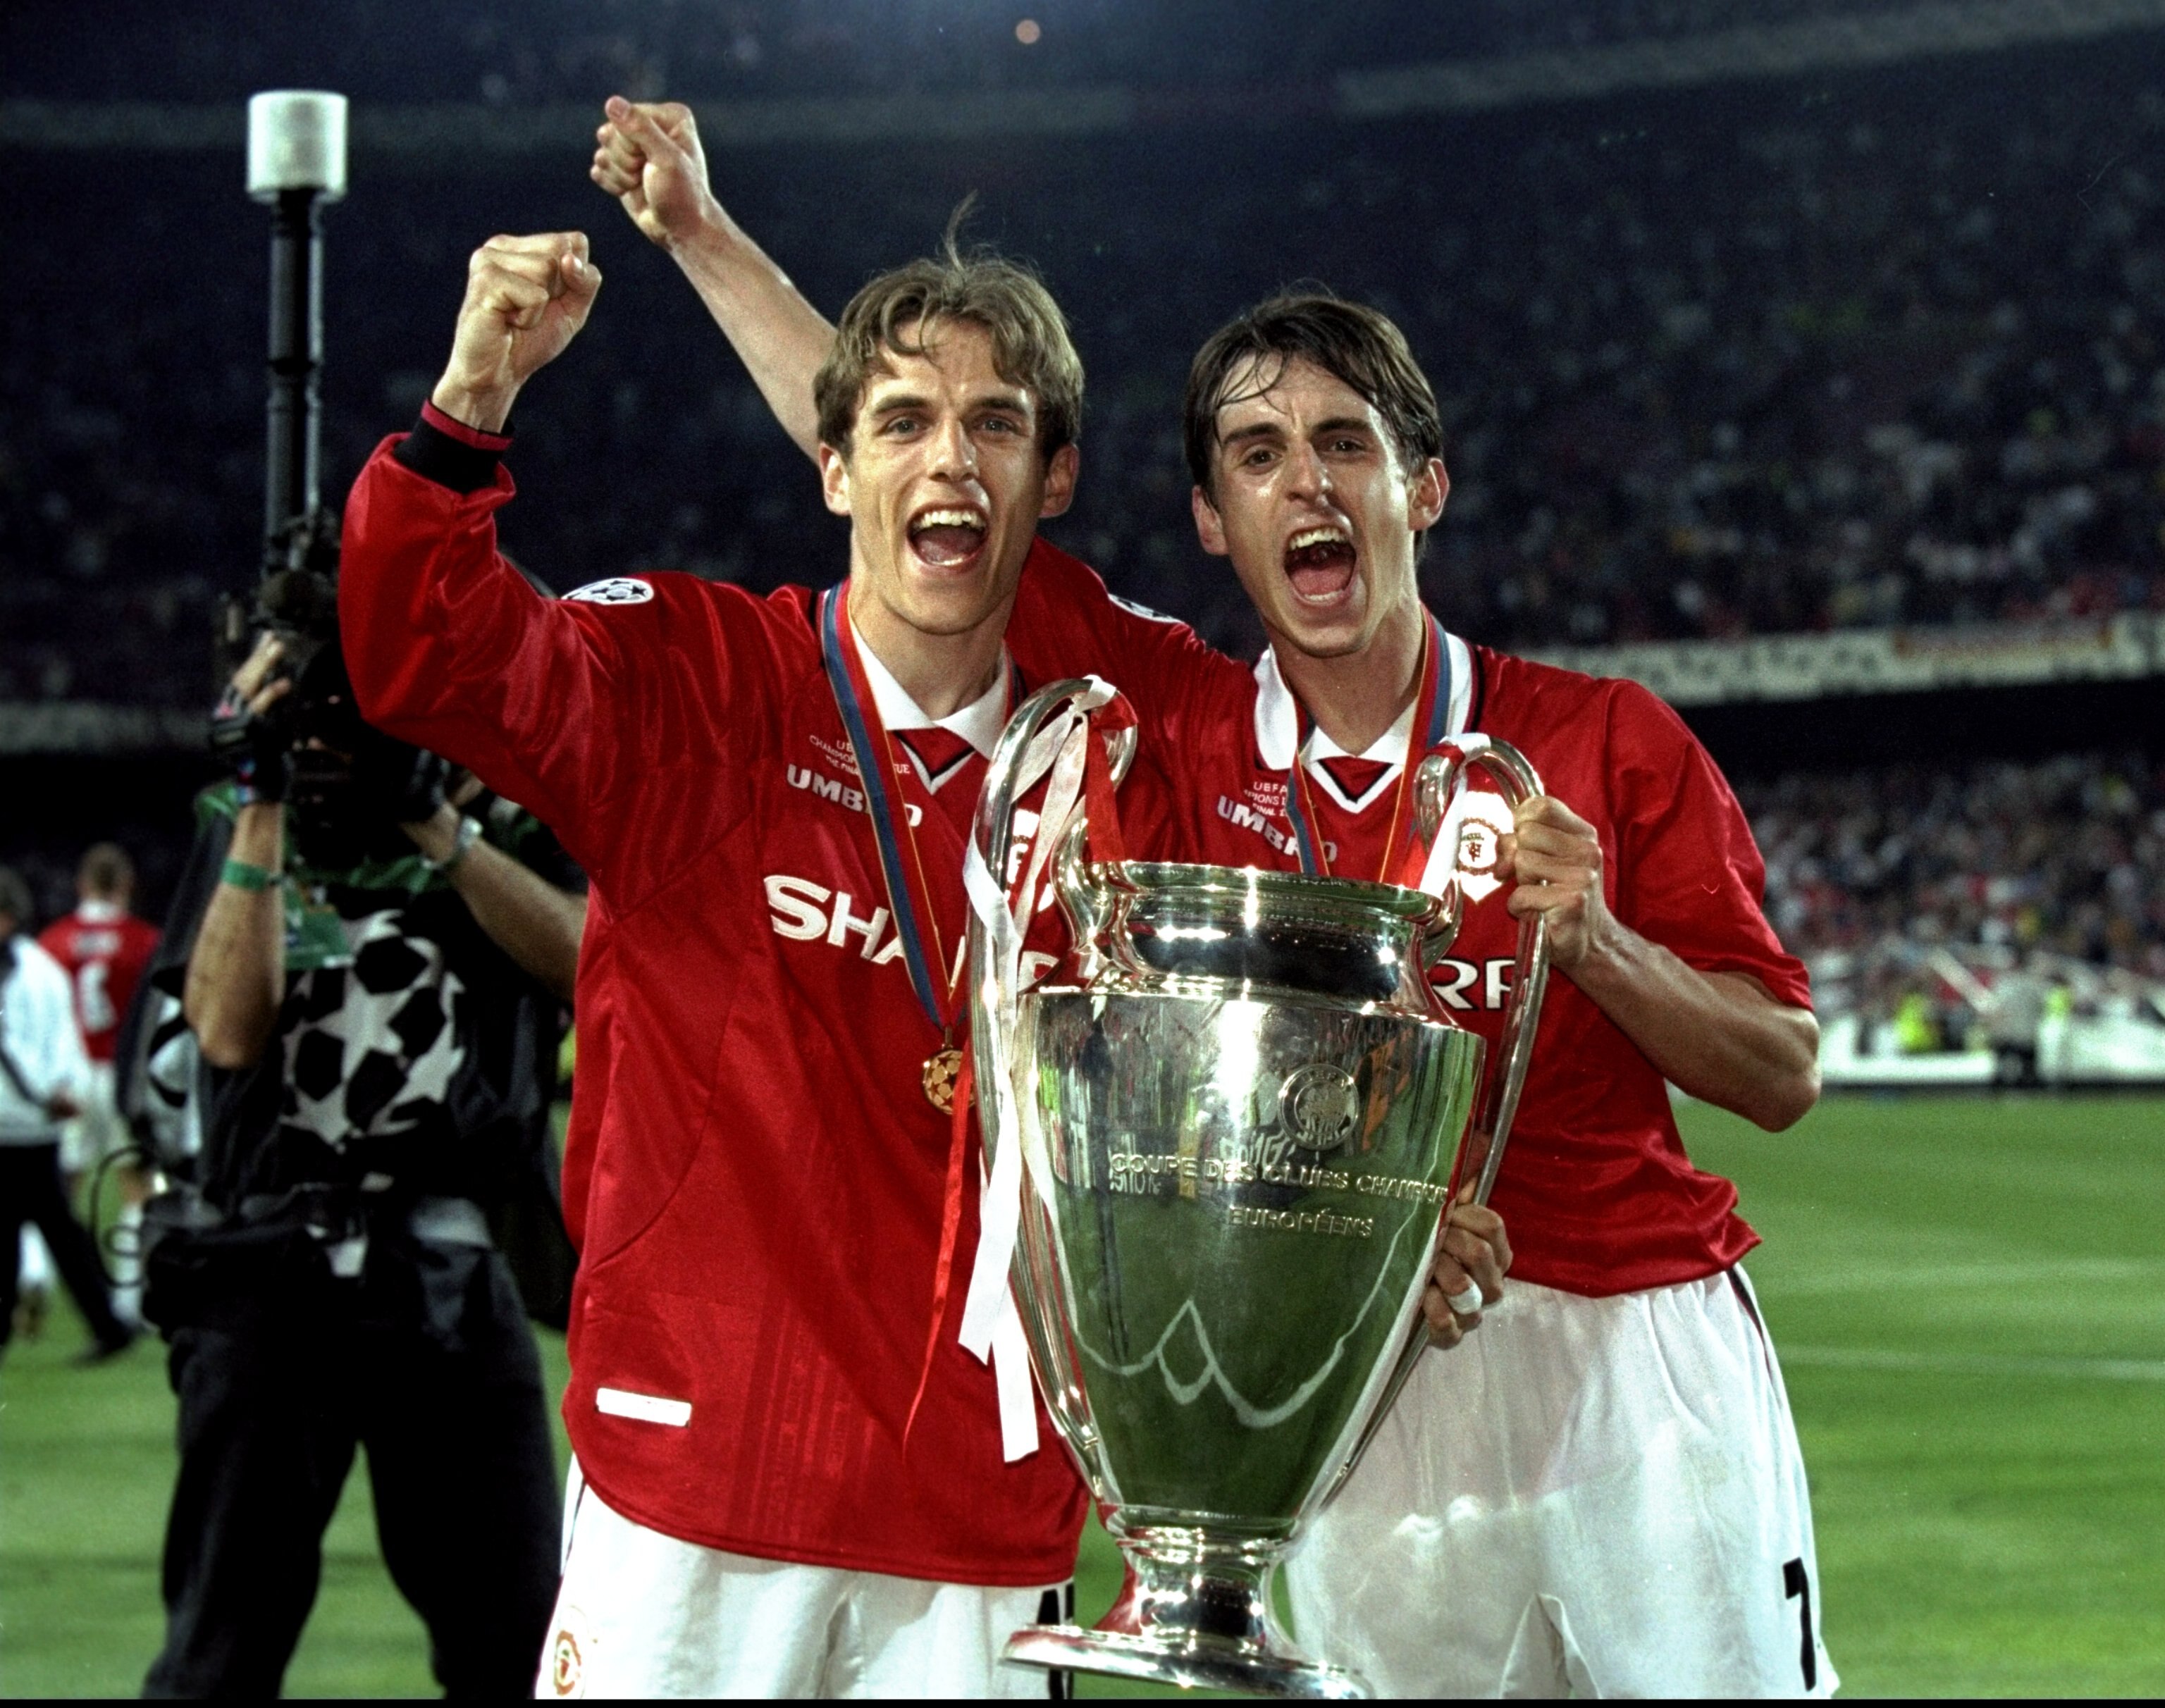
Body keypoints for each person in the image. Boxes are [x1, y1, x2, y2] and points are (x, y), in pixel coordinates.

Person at [602, 102, 1834, 1699]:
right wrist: (703, 233)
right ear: (1211, 520)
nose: (1301, 484)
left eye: (1343, 446)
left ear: (1421, 487)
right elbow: (907, 464)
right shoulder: (1168, 726)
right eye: (1255, 457)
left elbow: (1778, 1071)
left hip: (1628, 1366)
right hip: (1357, 1376)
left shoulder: (1601, 741)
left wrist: (1594, 941)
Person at [336, 194, 1516, 1693]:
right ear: (831, 468)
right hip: (704, 1482)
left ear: (1057, 475)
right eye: (898, 425)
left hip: (983, 1506)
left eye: (997, 427)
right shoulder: (693, 682)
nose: (948, 461)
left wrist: (1383, 1212)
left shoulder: (1125, 727)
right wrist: (471, 401)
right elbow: (421, 647)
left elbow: (1318, 917)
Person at [139, 571, 584, 1700]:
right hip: (264, 1271)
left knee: (518, 1643)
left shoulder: (486, 816)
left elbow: (591, 963)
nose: (333, 736)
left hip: (444, 1270)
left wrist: (434, 816)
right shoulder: (242, 826)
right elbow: (229, 1032)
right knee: (219, 1650)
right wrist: (259, 797)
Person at [0, 865, 136, 1363]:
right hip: (44, 1112)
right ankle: (109, 1319)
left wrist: (49, 1095)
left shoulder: (42, 960)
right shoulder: (43, 966)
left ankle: (104, 1320)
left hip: (24, 1120)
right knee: (54, 1226)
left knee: (46, 1227)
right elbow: (66, 1039)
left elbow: (27, 1047)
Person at [39, 842, 161, 1324]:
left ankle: (34, 1278)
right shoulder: (146, 941)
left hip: (70, 1075)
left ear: (82, 885)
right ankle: (129, 1302)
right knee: (138, 1185)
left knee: (53, 1190)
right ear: (127, 885)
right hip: (125, 1075)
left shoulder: (54, 940)